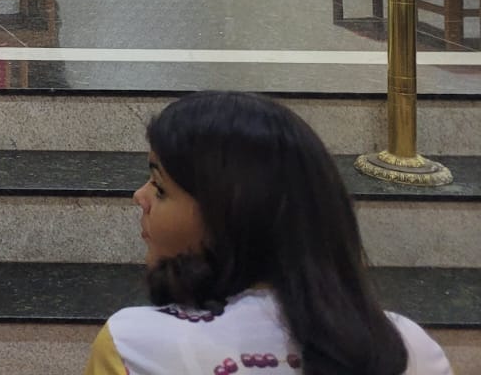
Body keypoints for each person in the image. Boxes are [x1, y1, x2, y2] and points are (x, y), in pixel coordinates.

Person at [86, 91, 453, 375]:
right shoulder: (410, 347)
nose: (140, 197)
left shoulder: (134, 345)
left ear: (231, 214)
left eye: (159, 187)